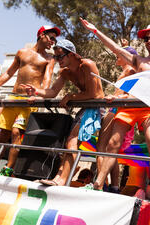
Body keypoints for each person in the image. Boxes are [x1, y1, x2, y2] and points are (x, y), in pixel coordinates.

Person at [80, 18, 150, 202]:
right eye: (146, 39)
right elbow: (116, 49)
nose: (148, 42)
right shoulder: (138, 61)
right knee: (113, 144)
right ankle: (98, 184)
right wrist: (96, 31)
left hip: (149, 108)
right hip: (130, 106)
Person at [22, 39, 104, 186]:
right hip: (87, 107)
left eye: (60, 56)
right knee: (69, 143)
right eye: (55, 57)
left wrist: (70, 97)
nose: (57, 60)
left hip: (98, 107)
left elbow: (94, 94)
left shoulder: (87, 65)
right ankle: (59, 178)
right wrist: (36, 91)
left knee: (77, 143)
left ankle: (65, 180)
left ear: (72, 54)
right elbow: (52, 92)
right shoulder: (65, 72)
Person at [0, 25, 60, 176]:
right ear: (42, 35)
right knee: (3, 134)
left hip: (29, 101)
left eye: (55, 39)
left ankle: (8, 168)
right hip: (13, 98)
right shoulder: (22, 53)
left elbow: (47, 79)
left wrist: (40, 95)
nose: (53, 42)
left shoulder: (49, 58)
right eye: (51, 37)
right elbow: (8, 73)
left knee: (16, 132)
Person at [96, 42, 137, 193]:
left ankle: (101, 183)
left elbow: (133, 92)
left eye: (119, 53)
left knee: (102, 149)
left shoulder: (130, 70)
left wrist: (116, 96)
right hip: (118, 110)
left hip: (116, 110)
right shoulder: (129, 70)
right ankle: (113, 186)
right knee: (112, 152)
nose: (116, 55)